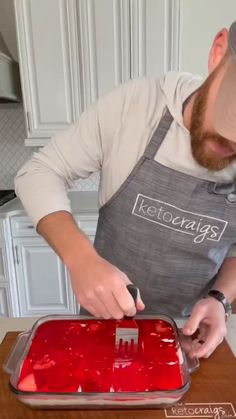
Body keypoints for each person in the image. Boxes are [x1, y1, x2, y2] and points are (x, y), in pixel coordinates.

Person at [15, 21, 236, 359]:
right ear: (218, 51)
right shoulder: (138, 105)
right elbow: (39, 172)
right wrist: (81, 259)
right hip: (103, 328)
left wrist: (220, 298)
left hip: (190, 340)